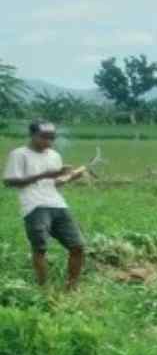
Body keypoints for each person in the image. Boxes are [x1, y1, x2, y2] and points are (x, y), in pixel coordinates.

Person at [4, 120, 87, 291]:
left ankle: (72, 287)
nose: (48, 141)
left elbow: (54, 183)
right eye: (44, 137)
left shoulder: (54, 155)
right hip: (34, 206)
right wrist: (44, 175)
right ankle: (44, 288)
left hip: (58, 204)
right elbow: (9, 182)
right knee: (40, 248)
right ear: (32, 135)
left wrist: (71, 177)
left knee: (78, 246)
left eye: (52, 137)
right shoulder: (19, 154)